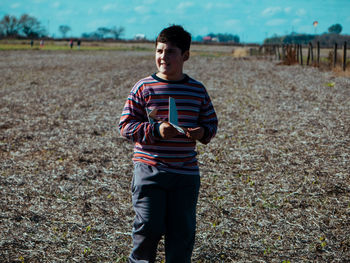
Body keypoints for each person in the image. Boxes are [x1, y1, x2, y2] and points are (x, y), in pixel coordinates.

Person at [119, 25, 218, 262]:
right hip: (149, 170)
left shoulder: (196, 90)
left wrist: (201, 132)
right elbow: (125, 126)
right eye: (160, 51)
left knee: (182, 234)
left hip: (185, 174)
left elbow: (211, 123)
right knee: (147, 228)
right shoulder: (143, 88)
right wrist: (156, 129)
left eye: (171, 51)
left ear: (185, 56)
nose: (163, 57)